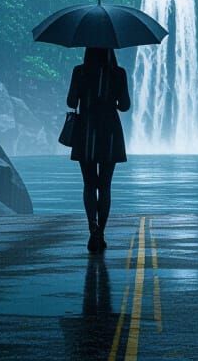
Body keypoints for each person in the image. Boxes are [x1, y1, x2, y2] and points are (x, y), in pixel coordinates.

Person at [67, 47, 131, 252]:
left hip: (86, 131)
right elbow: (125, 106)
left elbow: (70, 101)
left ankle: (92, 228)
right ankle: (101, 232)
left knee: (88, 184)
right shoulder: (118, 72)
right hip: (110, 132)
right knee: (105, 185)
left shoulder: (80, 71)